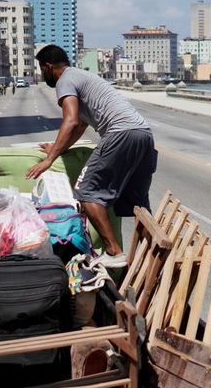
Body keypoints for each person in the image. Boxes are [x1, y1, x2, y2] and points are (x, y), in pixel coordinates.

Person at [25, 45, 157, 268]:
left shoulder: (65, 80)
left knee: (86, 192)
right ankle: (155, 253)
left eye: (41, 69)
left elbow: (71, 120)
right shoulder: (82, 76)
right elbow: (80, 126)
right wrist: (59, 148)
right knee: (138, 204)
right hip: (143, 135)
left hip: (120, 133)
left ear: (47, 67)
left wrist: (49, 160)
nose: (41, 74)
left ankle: (114, 252)